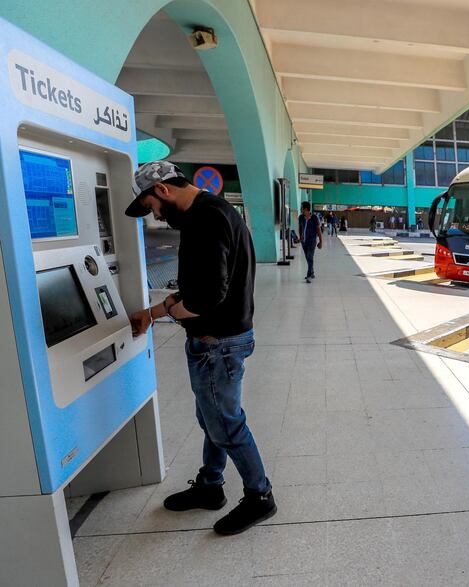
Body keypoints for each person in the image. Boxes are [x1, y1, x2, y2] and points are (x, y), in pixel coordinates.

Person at [124, 161, 275, 536]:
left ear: (162, 191)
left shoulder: (205, 220)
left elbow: (206, 296)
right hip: (222, 340)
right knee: (213, 420)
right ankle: (210, 486)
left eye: (151, 207)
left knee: (225, 424)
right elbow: (202, 286)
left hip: (216, 343)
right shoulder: (214, 212)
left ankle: (260, 496)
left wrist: (174, 311)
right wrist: (154, 312)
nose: (155, 216)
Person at [299, 201, 323, 282]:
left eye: (301, 207)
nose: (300, 208)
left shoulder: (314, 217)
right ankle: (312, 272)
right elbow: (300, 227)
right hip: (304, 241)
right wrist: (300, 237)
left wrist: (321, 241)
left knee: (310, 256)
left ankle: (309, 275)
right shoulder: (301, 217)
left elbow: (318, 229)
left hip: (312, 240)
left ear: (305, 208)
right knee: (308, 257)